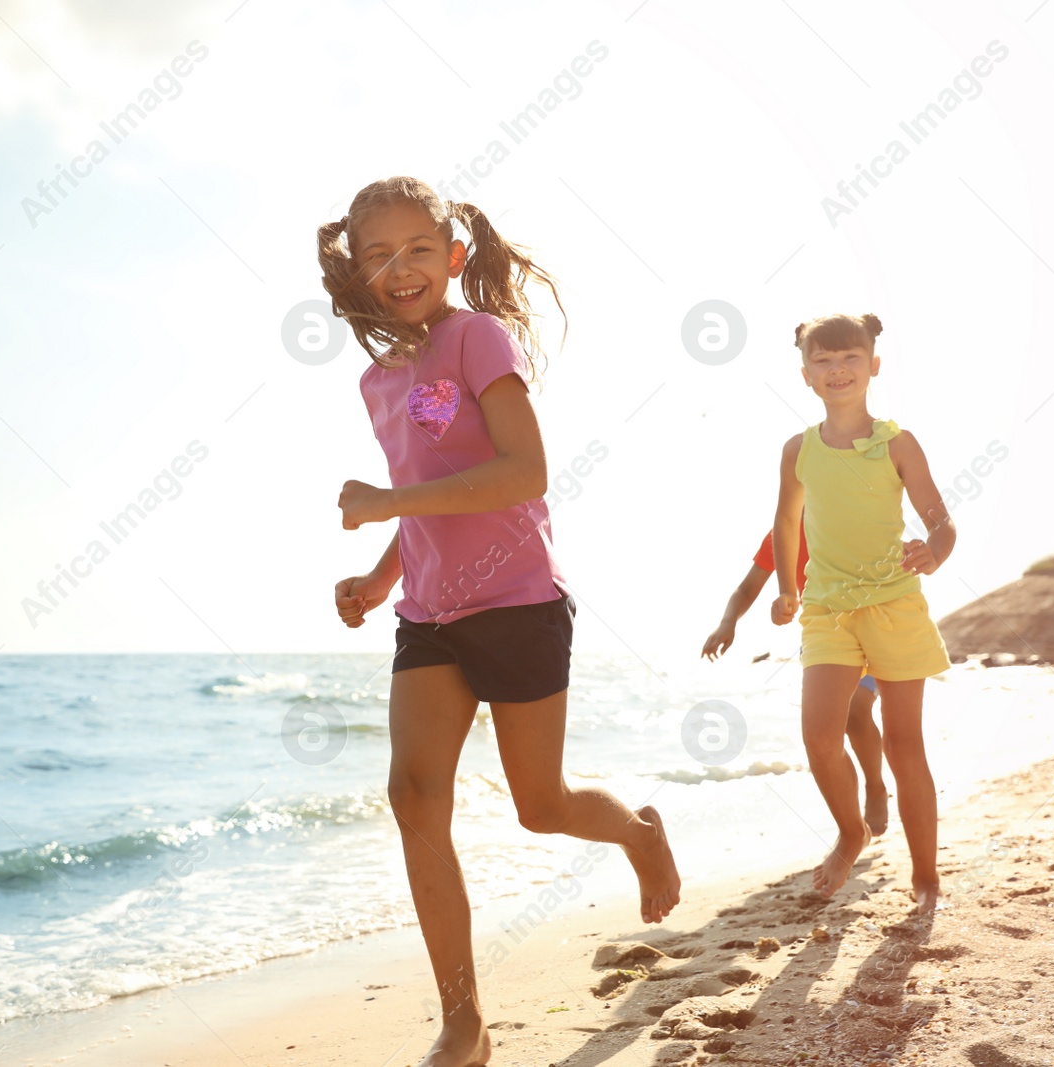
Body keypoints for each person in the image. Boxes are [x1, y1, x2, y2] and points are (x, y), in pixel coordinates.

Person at [320, 177, 680, 1067]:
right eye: (377, 255)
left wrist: (385, 500)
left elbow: (524, 472)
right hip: (428, 617)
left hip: (518, 603)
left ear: (453, 255)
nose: (398, 268)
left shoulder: (478, 337)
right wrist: (376, 578)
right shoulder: (377, 379)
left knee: (540, 805)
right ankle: (464, 1020)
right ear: (358, 274)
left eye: (415, 249)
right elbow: (427, 510)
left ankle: (637, 833)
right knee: (413, 797)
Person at [768, 312, 955, 914]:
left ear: (874, 365)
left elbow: (941, 518)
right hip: (827, 609)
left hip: (894, 604)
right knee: (819, 737)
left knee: (905, 746)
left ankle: (925, 875)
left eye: (849, 357)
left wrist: (935, 551)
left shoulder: (896, 443)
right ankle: (851, 831)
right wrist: (786, 588)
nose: (837, 369)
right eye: (823, 361)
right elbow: (785, 521)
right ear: (805, 376)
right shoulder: (798, 450)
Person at [701, 524, 889, 836]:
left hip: (872, 622)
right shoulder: (782, 532)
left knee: (856, 710)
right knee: (825, 733)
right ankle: (851, 824)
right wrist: (727, 622)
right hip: (823, 634)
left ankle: (875, 786)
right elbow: (747, 588)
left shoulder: (849, 507)